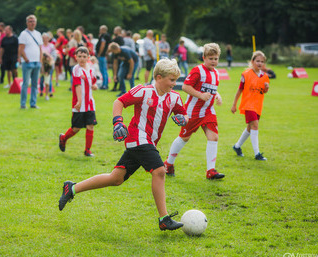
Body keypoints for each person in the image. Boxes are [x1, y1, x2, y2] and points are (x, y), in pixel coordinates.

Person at [58, 58, 188, 231]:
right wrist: (118, 122)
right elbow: (119, 102)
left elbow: (185, 115)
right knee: (159, 171)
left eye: (176, 80)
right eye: (171, 80)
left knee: (116, 178)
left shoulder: (175, 98)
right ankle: (164, 218)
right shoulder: (144, 91)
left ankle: (72, 188)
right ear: (158, 77)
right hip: (137, 138)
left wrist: (183, 119)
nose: (174, 83)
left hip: (147, 142)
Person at [164, 43, 225, 180]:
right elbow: (185, 86)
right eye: (211, 58)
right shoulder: (197, 70)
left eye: (216, 58)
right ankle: (168, 163)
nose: (213, 61)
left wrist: (218, 96)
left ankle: (211, 171)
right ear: (204, 58)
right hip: (193, 111)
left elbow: (212, 89)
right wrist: (200, 95)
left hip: (208, 111)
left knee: (213, 137)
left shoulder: (216, 73)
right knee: (184, 138)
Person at [58, 47, 98, 157]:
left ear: (88, 57)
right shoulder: (76, 69)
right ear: (75, 57)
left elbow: (93, 81)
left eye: (84, 57)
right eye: (79, 56)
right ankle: (63, 138)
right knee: (76, 128)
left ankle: (87, 150)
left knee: (90, 126)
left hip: (90, 103)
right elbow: (78, 86)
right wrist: (79, 101)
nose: (82, 59)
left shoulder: (90, 68)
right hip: (79, 103)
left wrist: (94, 86)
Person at [231, 51, 270, 161]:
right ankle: (257, 153)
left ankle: (237, 146)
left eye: (262, 62)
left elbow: (264, 91)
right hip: (248, 105)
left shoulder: (265, 76)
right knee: (255, 126)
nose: (260, 63)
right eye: (257, 61)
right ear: (252, 61)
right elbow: (239, 90)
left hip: (258, 105)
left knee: (250, 128)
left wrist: (266, 88)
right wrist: (234, 105)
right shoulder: (246, 74)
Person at [18, 14, 43, 109]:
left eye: (33, 21)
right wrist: (26, 59)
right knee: (25, 84)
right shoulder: (23, 34)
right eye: (30, 21)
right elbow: (21, 48)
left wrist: (40, 61)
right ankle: (23, 104)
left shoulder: (38, 34)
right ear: (27, 23)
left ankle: (33, 103)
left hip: (37, 62)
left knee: (35, 84)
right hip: (28, 62)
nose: (32, 23)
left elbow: (40, 49)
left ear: (36, 23)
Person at [39, 32, 56, 99]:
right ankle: (41, 91)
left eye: (46, 38)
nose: (45, 39)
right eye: (44, 38)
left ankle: (50, 92)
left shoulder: (51, 46)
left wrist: (50, 58)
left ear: (48, 39)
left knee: (49, 79)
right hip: (41, 64)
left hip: (49, 65)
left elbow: (54, 56)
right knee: (41, 79)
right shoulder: (40, 46)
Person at [95, 25, 111, 90]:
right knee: (104, 70)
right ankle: (105, 84)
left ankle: (105, 84)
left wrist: (99, 53)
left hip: (102, 55)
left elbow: (102, 45)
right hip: (104, 55)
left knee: (103, 70)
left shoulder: (104, 36)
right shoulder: (107, 36)